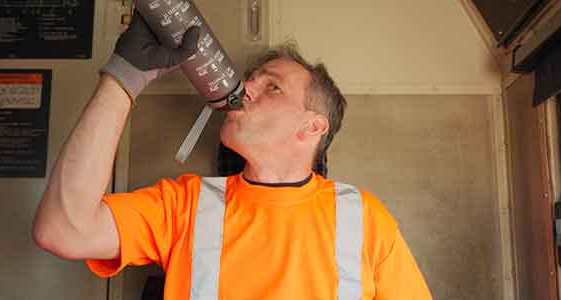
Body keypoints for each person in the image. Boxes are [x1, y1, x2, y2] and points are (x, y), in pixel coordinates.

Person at [32, 12, 432, 300]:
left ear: (313, 127)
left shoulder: (365, 220)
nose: (245, 92)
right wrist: (125, 77)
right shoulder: (183, 205)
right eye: (249, 82)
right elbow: (63, 229)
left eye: (272, 88)